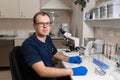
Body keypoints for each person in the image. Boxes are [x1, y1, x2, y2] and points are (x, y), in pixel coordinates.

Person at [22, 11, 88, 80]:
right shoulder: (29, 45)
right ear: (34, 26)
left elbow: (55, 53)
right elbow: (42, 72)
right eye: (41, 23)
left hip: (51, 77)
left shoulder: (47, 38)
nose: (45, 26)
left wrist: (70, 59)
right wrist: (72, 71)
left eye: (47, 23)